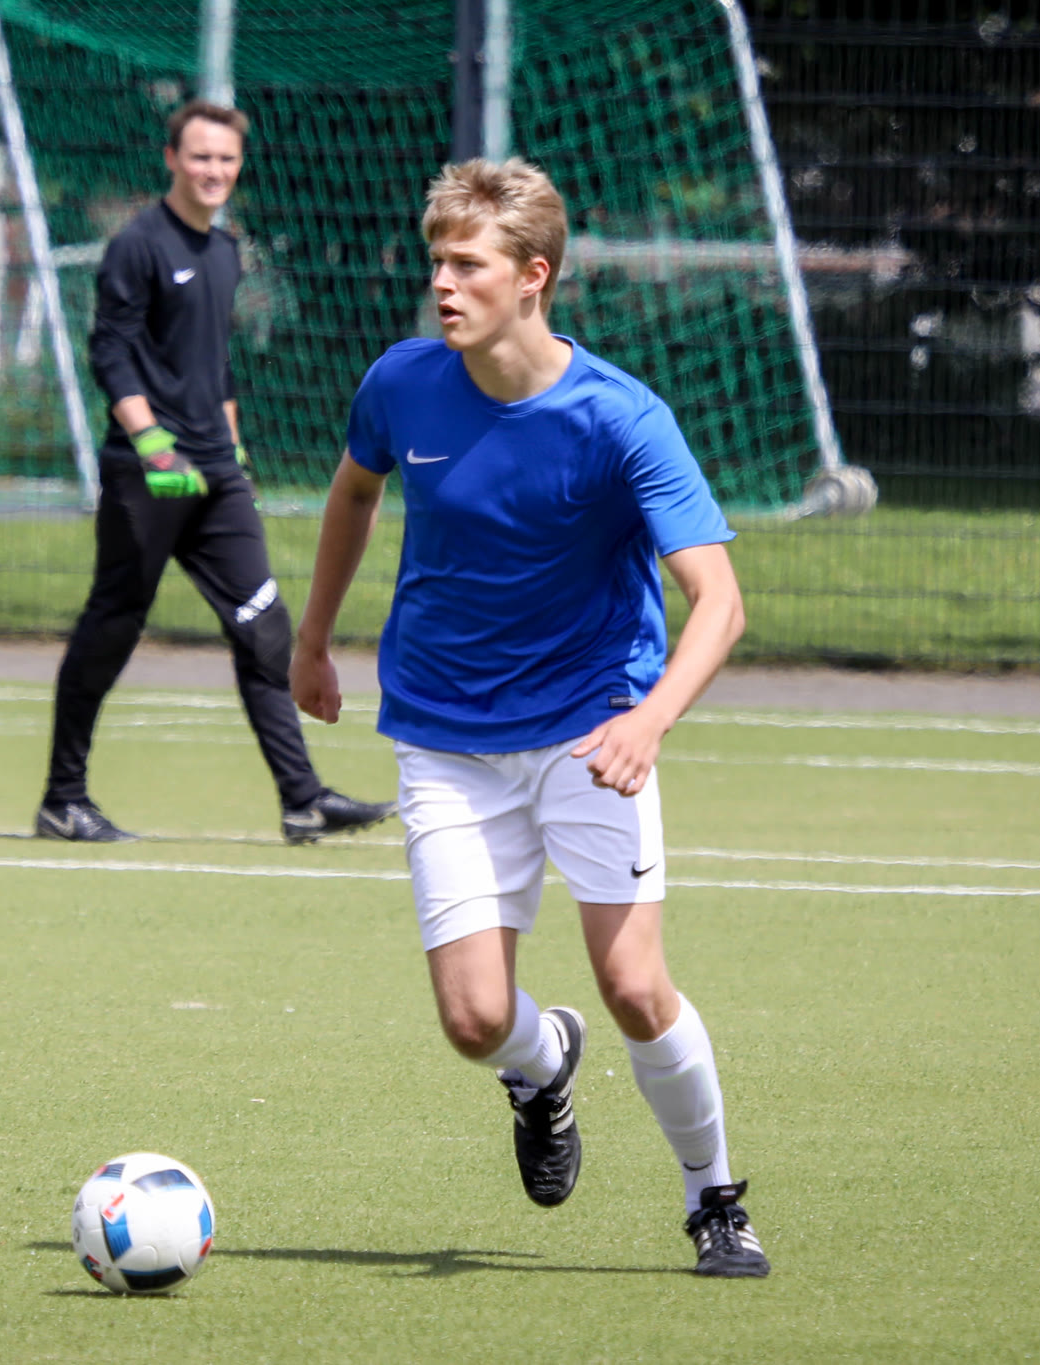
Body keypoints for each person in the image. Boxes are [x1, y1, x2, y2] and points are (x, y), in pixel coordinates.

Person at [288, 158, 769, 1277]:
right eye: (437, 262)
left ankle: (713, 1199)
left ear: (532, 276)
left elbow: (720, 600)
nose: (442, 284)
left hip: (589, 728)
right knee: (471, 1021)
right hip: (443, 733)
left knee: (634, 986)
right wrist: (311, 639)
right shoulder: (402, 384)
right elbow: (354, 490)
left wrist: (649, 719)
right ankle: (542, 1064)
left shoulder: (619, 417)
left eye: (468, 265)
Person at [37, 99, 394, 847]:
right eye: (200, 156)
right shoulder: (137, 244)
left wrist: (232, 453)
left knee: (264, 625)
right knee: (114, 625)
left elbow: (215, 364)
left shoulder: (226, 250)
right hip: (147, 473)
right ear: (172, 158)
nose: (214, 171)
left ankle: (303, 800)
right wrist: (153, 445)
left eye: (226, 159)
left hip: (217, 476)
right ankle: (63, 800)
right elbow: (111, 352)